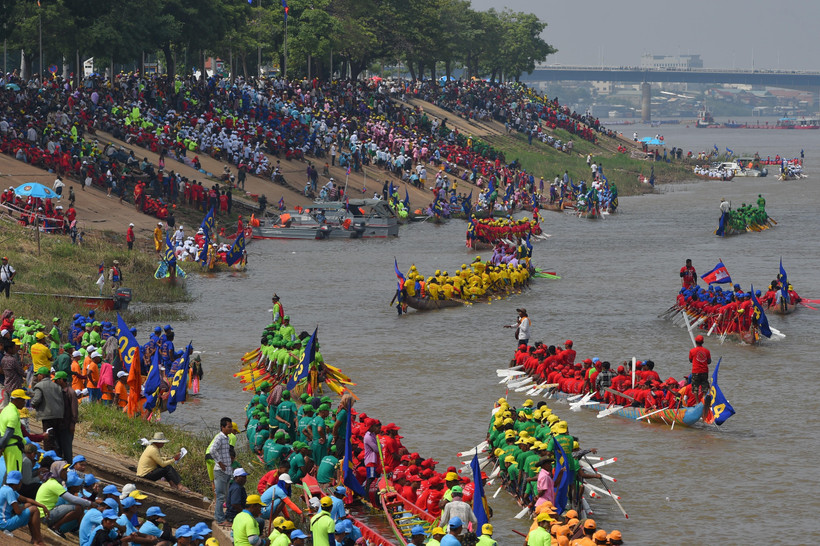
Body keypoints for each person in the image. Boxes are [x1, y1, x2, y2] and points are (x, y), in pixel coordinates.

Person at [0, 470, 48, 546]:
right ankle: (39, 540)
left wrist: (42, 506)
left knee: (30, 507)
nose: (21, 484)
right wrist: (26, 507)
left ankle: (35, 539)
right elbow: (18, 511)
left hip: (3, 523)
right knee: (34, 509)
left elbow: (26, 499)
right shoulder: (9, 491)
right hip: (4, 524)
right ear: (18, 482)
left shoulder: (5, 488)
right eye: (20, 482)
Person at [31, 366, 64, 453]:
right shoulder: (56, 386)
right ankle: (58, 455)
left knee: (48, 437)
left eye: (38, 375)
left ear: (42, 375)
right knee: (57, 436)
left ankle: (49, 456)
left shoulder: (39, 386)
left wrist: (33, 404)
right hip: (59, 415)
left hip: (47, 415)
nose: (37, 377)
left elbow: (37, 399)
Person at [209, 417, 234, 526]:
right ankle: (219, 519)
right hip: (220, 471)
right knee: (220, 496)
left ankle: (225, 517)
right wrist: (219, 462)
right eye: (229, 427)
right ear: (222, 427)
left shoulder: (226, 438)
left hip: (227, 471)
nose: (231, 429)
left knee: (226, 495)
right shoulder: (219, 438)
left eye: (231, 426)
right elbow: (212, 450)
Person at [0, 388, 30, 474]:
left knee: (10, 473)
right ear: (16, 400)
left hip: (8, 447)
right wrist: (1, 447)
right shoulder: (12, 414)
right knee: (14, 475)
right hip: (13, 448)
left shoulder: (5, 410)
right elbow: (8, 433)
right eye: (23, 400)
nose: (24, 402)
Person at [688, 334, 711, 402]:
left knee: (695, 387)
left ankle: (697, 402)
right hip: (704, 371)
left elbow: (690, 360)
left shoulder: (692, 351)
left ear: (695, 342)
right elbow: (709, 362)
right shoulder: (707, 351)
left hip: (696, 371)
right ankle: (703, 399)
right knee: (704, 386)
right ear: (703, 342)